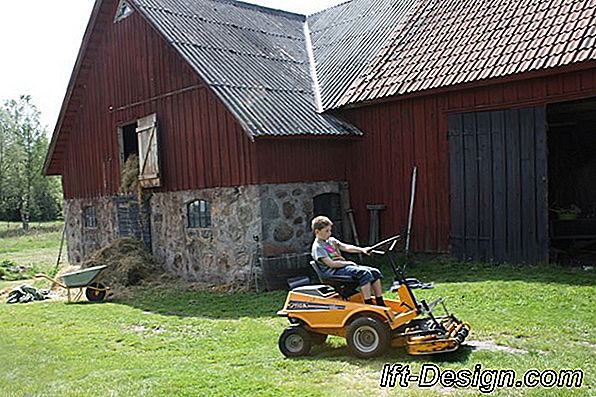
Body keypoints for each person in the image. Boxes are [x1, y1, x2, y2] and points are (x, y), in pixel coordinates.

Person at [311, 215, 385, 306]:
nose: (329, 233)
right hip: (333, 273)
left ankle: (380, 302)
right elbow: (331, 264)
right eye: (326, 231)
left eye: (330, 230)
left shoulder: (331, 241)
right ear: (317, 232)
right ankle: (368, 304)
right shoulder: (318, 247)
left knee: (374, 272)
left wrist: (362, 250)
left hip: (342, 268)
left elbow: (346, 247)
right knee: (364, 273)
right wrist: (348, 263)